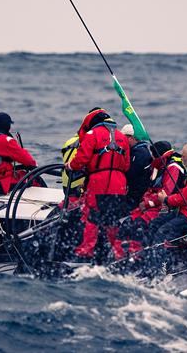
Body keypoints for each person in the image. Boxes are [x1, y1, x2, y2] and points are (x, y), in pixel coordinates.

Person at [65, 108, 130, 260]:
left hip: (98, 183)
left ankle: (87, 251)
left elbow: (81, 159)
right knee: (112, 219)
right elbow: (126, 166)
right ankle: (117, 253)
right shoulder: (122, 137)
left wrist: (70, 166)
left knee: (92, 216)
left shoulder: (92, 134)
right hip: (119, 184)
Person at [118, 141, 185, 253]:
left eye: (153, 155)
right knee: (128, 222)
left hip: (166, 208)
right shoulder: (162, 167)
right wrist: (145, 201)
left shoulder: (173, 167)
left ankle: (138, 254)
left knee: (138, 225)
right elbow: (152, 189)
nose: (152, 159)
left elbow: (166, 192)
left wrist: (148, 203)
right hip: (153, 206)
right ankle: (127, 252)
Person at [122, 124, 153, 210]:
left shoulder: (140, 153)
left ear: (131, 138)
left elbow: (130, 174)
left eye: (124, 138)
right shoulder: (138, 151)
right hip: (135, 191)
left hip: (137, 194)